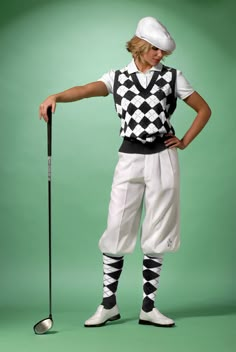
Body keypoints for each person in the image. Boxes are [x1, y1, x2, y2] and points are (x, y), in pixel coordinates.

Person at [39, 16, 211, 328]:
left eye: (163, 52)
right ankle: (108, 305)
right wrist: (57, 97)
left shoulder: (173, 77)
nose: (160, 55)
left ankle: (149, 307)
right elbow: (86, 89)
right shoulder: (117, 78)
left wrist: (184, 140)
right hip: (129, 156)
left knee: (159, 227)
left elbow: (204, 110)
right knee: (117, 225)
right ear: (140, 46)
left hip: (163, 156)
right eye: (155, 49)